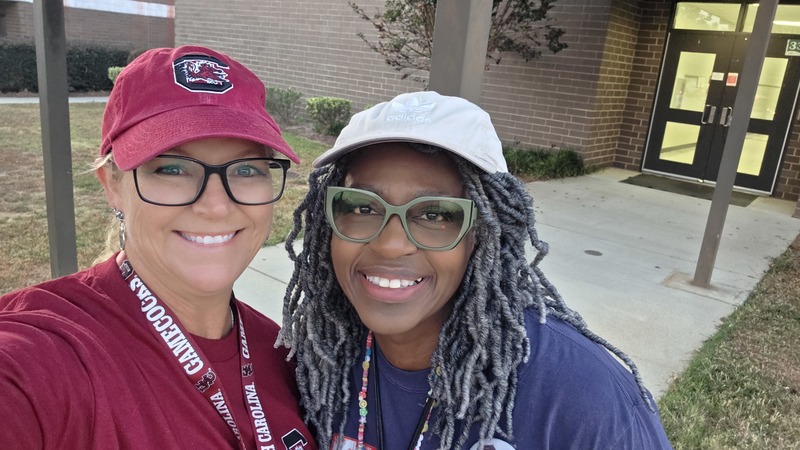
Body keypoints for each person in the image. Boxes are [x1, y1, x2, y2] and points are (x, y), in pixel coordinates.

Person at [277, 91, 673, 450]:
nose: (391, 244)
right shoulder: (317, 358)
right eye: (362, 207)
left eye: (435, 214)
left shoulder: (584, 395)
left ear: (483, 235)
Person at [0, 46, 317, 450]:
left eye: (245, 169)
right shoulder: (48, 357)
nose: (217, 206)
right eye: (172, 168)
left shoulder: (280, 354)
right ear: (112, 185)